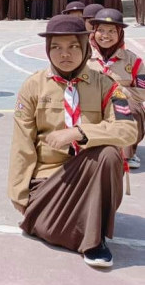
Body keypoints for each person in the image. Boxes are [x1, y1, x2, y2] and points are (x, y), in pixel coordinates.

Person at [9, 15, 137, 267]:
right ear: (47, 50)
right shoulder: (33, 86)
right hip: (49, 181)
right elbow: (21, 144)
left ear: (85, 47)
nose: (64, 54)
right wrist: (20, 196)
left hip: (92, 179)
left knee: (109, 154)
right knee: (41, 222)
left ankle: (94, 240)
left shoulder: (106, 84)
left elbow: (128, 130)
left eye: (73, 46)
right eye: (56, 47)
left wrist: (80, 132)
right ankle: (65, 223)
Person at [87, 9, 144, 169]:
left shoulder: (133, 61)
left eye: (112, 31)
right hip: (91, 105)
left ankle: (128, 153)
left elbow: (142, 92)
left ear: (120, 33)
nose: (106, 35)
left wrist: (119, 92)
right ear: (94, 32)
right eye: (101, 30)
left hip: (123, 104)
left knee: (130, 108)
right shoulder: (84, 57)